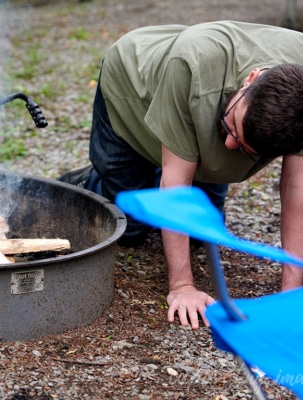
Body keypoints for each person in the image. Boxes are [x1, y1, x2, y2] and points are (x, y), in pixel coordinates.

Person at [59, 21, 303, 330]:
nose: (229, 146)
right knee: (130, 229)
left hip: (194, 116)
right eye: (233, 130)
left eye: (245, 149)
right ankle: (88, 180)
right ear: (250, 79)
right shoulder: (192, 66)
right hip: (133, 91)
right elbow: (176, 188)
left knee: (201, 236)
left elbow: (297, 186)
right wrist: (182, 286)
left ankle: (179, 154)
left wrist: (291, 293)